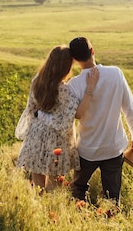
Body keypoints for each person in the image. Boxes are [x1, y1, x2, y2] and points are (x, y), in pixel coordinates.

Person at [67, 36, 133, 205]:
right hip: (113, 147)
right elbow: (130, 109)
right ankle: (111, 219)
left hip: (87, 149)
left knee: (78, 187)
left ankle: (78, 216)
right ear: (92, 51)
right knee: (112, 195)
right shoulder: (115, 73)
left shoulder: (74, 85)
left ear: (74, 60)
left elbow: (70, 118)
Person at [15, 45, 99, 192]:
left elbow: (31, 109)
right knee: (54, 187)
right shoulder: (65, 92)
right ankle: (50, 213)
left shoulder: (37, 81)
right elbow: (66, 122)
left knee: (37, 187)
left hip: (35, 137)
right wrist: (89, 89)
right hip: (57, 143)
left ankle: (36, 212)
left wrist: (40, 116)